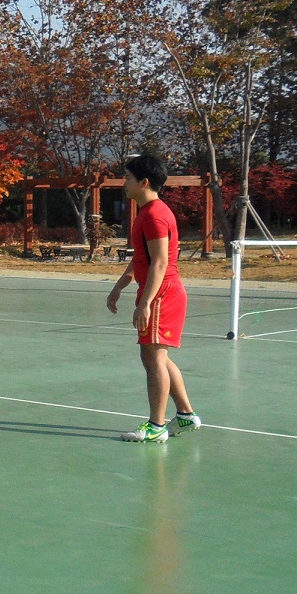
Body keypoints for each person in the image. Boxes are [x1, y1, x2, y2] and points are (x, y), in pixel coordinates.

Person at [108, 154, 201, 443]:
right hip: (159, 291)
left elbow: (160, 262)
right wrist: (121, 284)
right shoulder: (147, 212)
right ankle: (185, 416)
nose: (124, 182)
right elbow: (143, 256)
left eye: (128, 177)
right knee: (157, 357)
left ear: (143, 182)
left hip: (163, 293)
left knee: (152, 358)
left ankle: (156, 426)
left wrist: (145, 302)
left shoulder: (155, 214)